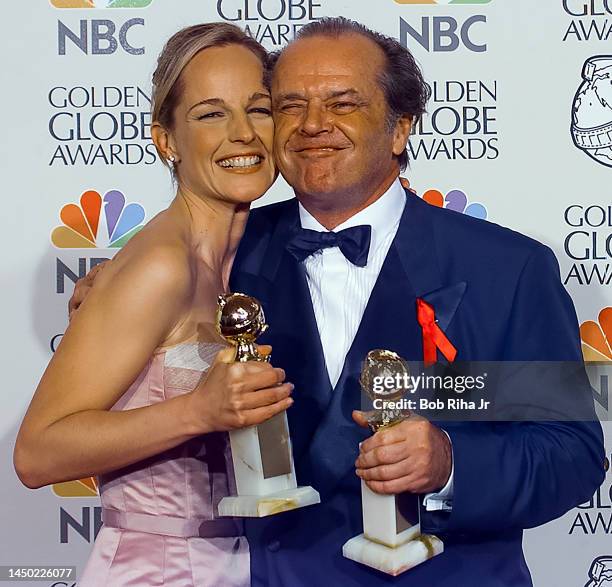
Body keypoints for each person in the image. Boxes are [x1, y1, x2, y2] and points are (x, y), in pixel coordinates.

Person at [68, 17, 605, 587]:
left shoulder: (506, 269)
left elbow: (570, 455)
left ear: (400, 129)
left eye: (343, 104)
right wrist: (114, 287)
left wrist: (450, 464)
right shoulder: (218, 256)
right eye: (290, 106)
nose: (313, 125)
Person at [14, 23, 294, 587]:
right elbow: (36, 452)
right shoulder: (159, 266)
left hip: (244, 564)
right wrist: (198, 411)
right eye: (211, 114)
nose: (243, 134)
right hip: (159, 570)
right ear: (166, 140)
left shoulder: (257, 256)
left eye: (258, 109)